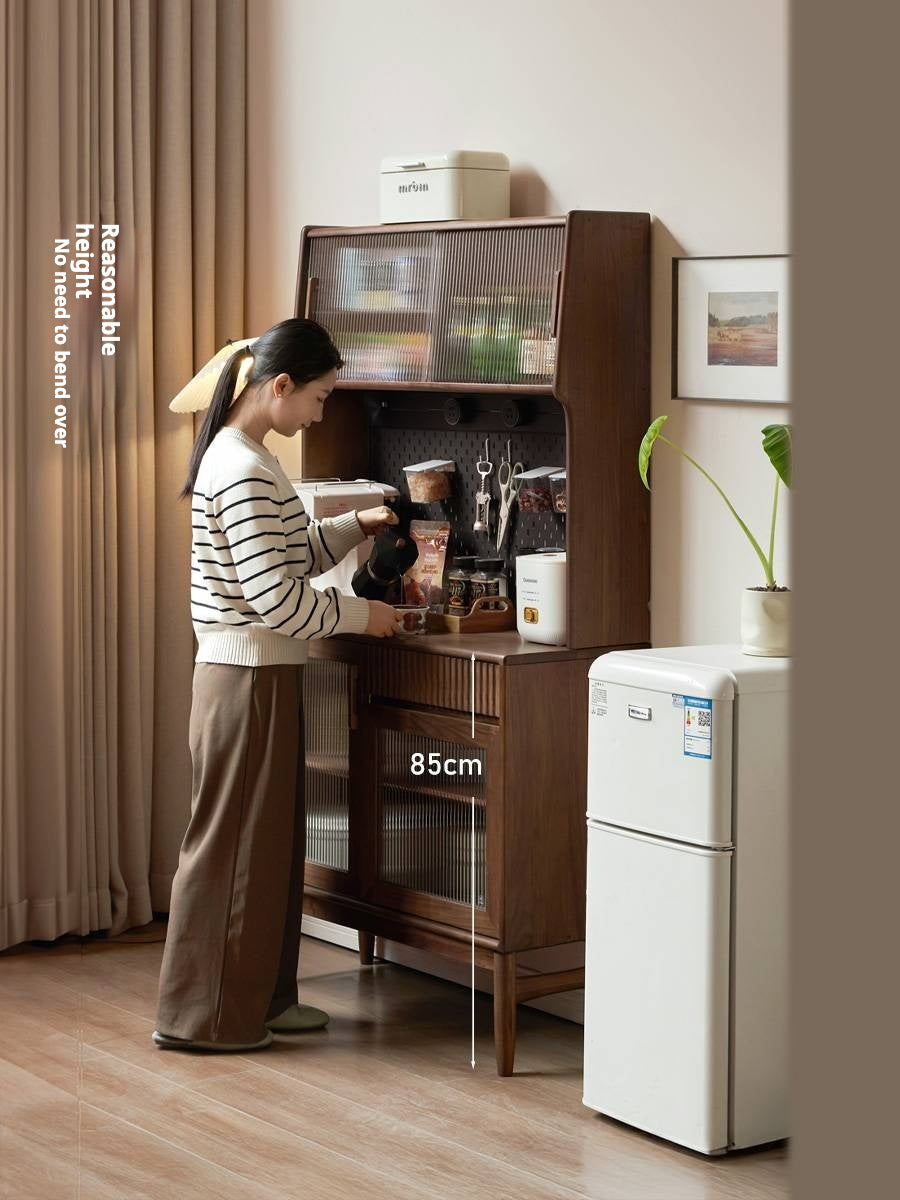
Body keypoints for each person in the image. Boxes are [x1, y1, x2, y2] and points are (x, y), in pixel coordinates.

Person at [153, 318, 400, 1052]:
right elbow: (278, 601)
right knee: (233, 854)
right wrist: (366, 615)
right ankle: (205, 1019)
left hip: (258, 676)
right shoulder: (243, 468)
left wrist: (357, 522)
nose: (322, 414)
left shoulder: (247, 458)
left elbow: (286, 556)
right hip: (247, 680)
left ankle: (260, 999)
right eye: (320, 398)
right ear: (281, 386)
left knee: (268, 851)